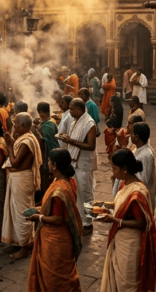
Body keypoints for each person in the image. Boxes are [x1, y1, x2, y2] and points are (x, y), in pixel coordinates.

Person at [98, 149, 156, 292]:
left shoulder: (137, 193)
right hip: (121, 239)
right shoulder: (125, 184)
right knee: (118, 278)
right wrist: (104, 205)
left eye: (114, 169)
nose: (113, 172)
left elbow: (141, 223)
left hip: (130, 244)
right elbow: (122, 205)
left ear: (125, 169)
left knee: (127, 283)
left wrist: (115, 220)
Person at [25, 149, 83, 292]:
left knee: (54, 280)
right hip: (63, 237)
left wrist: (38, 217)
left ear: (55, 165)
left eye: (49, 162)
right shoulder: (68, 181)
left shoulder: (59, 191)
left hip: (55, 239)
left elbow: (58, 219)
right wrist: (41, 209)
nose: (48, 164)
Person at [0, 113, 42, 259]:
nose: (14, 126)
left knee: (22, 213)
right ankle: (21, 240)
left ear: (23, 126)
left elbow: (15, 162)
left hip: (22, 180)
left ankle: (26, 246)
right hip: (19, 178)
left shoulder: (26, 141)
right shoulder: (27, 137)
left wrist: (10, 146)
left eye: (16, 124)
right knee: (17, 211)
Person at [58, 99, 96, 234]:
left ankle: (88, 224)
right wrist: (67, 138)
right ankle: (80, 219)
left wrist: (71, 141)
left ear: (79, 110)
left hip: (84, 164)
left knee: (86, 194)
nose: (70, 111)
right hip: (76, 162)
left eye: (72, 109)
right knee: (77, 193)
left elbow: (91, 146)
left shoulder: (89, 123)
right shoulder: (75, 122)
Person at [130, 122, 156, 212]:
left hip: (141, 198)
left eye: (131, 134)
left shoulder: (146, 155)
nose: (130, 136)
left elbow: (143, 180)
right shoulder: (138, 150)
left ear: (136, 137)